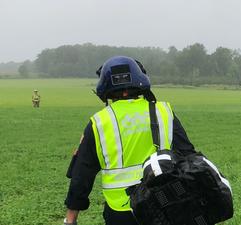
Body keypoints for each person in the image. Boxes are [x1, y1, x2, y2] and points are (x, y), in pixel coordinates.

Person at [64, 56, 196, 225]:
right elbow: (189, 156)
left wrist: (70, 219)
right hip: (166, 205)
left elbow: (81, 175)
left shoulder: (99, 122)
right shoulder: (163, 112)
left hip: (121, 212)